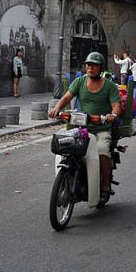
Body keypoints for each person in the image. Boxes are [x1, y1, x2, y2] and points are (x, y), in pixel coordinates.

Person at [48, 52, 123, 207]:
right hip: (81, 129)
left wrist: (112, 115)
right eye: (88, 65)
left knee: (102, 150)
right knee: (66, 148)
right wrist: (56, 109)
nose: (90, 68)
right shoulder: (79, 82)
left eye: (94, 65)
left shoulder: (109, 86)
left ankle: (104, 186)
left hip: (102, 129)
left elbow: (117, 105)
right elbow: (67, 97)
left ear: (100, 68)